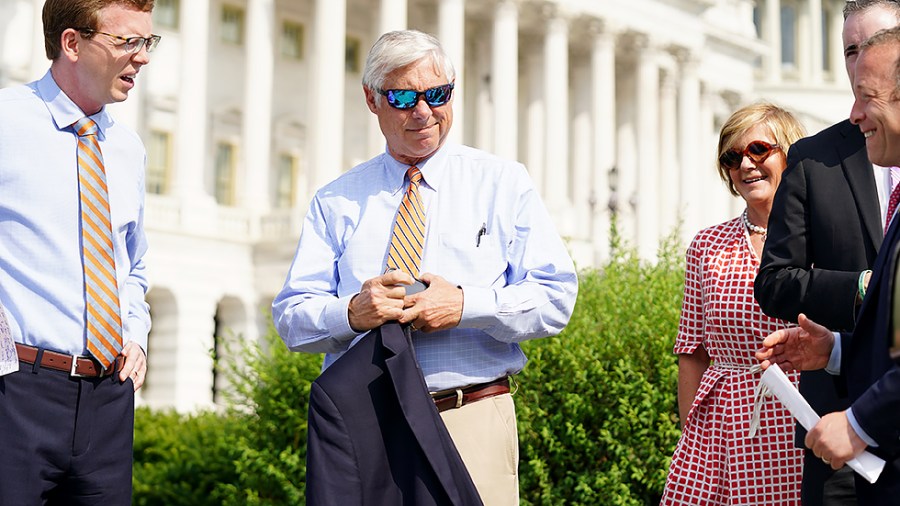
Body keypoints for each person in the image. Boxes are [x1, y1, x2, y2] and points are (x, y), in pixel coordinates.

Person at [272, 29, 577, 505]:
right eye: (403, 97)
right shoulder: (336, 199)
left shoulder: (501, 182)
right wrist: (352, 313)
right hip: (368, 424)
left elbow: (556, 299)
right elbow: (291, 319)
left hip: (469, 415)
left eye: (438, 94)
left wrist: (465, 305)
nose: (424, 111)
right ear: (372, 100)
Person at [0, 0, 156, 503]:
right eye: (127, 42)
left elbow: (133, 264)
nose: (143, 57)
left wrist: (134, 331)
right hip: (15, 392)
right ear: (72, 42)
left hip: (109, 399)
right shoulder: (6, 123)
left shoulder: (128, 148)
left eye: (147, 42)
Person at [754, 2, 900, 503]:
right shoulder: (815, 158)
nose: (860, 63)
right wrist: (840, 342)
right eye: (851, 51)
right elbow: (773, 281)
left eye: (875, 49)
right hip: (836, 428)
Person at [660, 103, 806, 505]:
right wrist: (692, 434)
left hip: (803, 416)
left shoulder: (824, 240)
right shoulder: (707, 246)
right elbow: (692, 351)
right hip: (724, 424)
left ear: (789, 154)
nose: (746, 164)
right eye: (732, 156)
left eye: (759, 149)